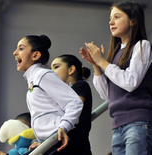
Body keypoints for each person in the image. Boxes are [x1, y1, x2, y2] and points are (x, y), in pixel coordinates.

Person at [79, 1, 152, 155]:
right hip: (118, 126)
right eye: (110, 18)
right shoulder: (116, 53)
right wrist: (96, 65)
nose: (111, 22)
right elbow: (108, 95)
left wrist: (103, 62)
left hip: (137, 122)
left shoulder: (142, 45)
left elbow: (131, 82)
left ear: (133, 20)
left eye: (117, 17)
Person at [13, 34, 83, 155]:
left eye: (21, 48)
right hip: (52, 142)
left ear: (35, 55)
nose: (15, 52)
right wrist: (42, 141)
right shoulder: (34, 79)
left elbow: (74, 102)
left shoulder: (43, 75)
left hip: (64, 141)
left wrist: (63, 127)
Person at [50, 54, 92, 155]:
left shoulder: (81, 85)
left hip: (76, 144)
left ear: (71, 69)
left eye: (56, 67)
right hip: (63, 143)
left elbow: (72, 109)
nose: (51, 72)